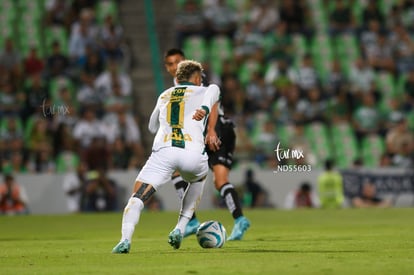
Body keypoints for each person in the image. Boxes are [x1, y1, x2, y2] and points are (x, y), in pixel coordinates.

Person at [112, 60, 220, 253]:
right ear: (197, 78)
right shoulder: (205, 90)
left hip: (165, 152)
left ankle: (125, 240)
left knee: (137, 198)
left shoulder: (164, 95)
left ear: (177, 78)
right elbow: (214, 90)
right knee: (198, 179)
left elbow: (152, 127)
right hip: (193, 153)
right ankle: (180, 227)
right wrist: (204, 109)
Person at [164, 49, 250, 240]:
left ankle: (193, 221)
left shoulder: (192, 78)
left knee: (177, 169)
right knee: (220, 181)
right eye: (170, 64)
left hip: (215, 128)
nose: (174, 67)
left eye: (178, 62)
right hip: (216, 129)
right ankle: (240, 220)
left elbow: (212, 102)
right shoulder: (178, 82)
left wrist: (211, 131)